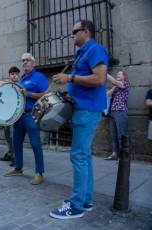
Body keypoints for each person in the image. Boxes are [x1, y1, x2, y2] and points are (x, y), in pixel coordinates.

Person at [50, 20, 109, 219]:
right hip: (81, 108)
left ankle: (76, 206)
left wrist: (70, 79)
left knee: (78, 156)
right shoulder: (84, 52)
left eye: (74, 31)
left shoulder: (95, 49)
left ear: (86, 31)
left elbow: (99, 79)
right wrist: (66, 81)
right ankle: (86, 200)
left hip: (87, 110)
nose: (71, 35)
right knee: (84, 156)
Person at [5, 53, 48, 186]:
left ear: (33, 63)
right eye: (23, 60)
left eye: (27, 60)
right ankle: (18, 168)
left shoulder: (39, 77)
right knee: (16, 142)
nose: (24, 62)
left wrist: (29, 94)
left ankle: (39, 173)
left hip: (31, 115)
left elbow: (45, 95)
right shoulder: (22, 78)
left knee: (35, 144)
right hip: (19, 115)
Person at [104, 72, 130, 160]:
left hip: (121, 111)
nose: (117, 75)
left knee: (121, 134)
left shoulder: (125, 84)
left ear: (124, 76)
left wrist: (105, 73)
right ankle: (115, 154)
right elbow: (107, 94)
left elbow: (115, 82)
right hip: (112, 112)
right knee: (113, 135)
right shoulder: (116, 86)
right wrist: (114, 86)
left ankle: (123, 156)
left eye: (119, 74)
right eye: (117, 74)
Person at [0, 66, 20, 163]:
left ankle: (15, 157)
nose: (14, 76)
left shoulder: (21, 86)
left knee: (13, 136)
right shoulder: (6, 87)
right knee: (7, 135)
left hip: (16, 115)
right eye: (12, 74)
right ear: (9, 76)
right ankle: (10, 152)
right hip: (6, 115)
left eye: (16, 74)